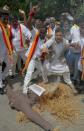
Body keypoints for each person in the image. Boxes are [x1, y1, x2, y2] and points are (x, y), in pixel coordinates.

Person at [43, 28, 77, 93]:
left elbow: (70, 45)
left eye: (60, 35)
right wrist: (45, 49)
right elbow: (43, 47)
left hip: (60, 60)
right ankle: (45, 82)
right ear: (55, 35)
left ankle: (71, 86)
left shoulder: (65, 41)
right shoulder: (51, 40)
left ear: (62, 35)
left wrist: (73, 45)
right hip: (52, 60)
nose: (58, 37)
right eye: (57, 35)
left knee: (66, 71)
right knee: (44, 68)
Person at [0, 7, 13, 94]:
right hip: (0, 52)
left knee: (9, 65)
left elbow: (10, 39)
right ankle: (0, 86)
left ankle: (3, 77)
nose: (6, 19)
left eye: (7, 18)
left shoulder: (8, 27)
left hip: (7, 51)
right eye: (4, 18)